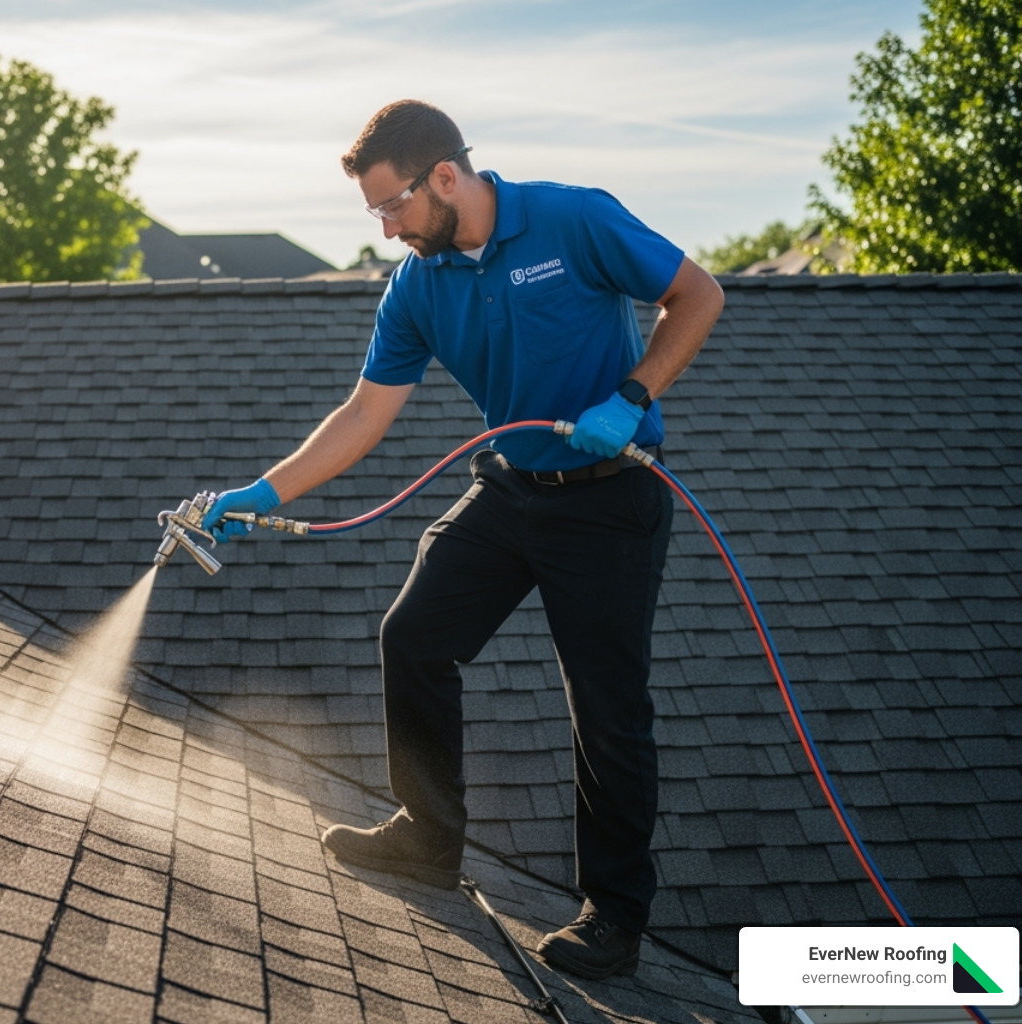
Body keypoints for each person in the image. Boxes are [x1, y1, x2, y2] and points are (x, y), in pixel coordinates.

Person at [201, 100, 724, 981]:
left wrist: (629, 398)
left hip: (610, 498)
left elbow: (698, 294)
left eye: (392, 206)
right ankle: (427, 835)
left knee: (606, 703)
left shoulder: (573, 218)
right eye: (374, 213)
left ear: (444, 176)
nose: (386, 226)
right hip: (511, 488)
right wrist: (265, 488)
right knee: (414, 636)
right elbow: (365, 412)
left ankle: (615, 915)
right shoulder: (417, 284)